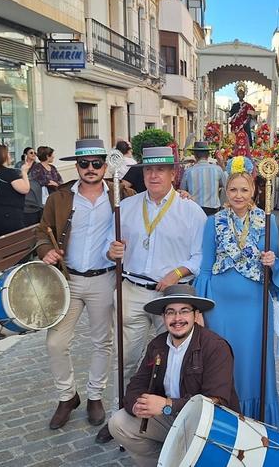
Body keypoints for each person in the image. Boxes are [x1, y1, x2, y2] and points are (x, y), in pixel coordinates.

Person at [99, 145, 207, 443]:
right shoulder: (128, 207)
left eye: (161, 169)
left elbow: (200, 256)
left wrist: (179, 272)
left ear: (174, 174)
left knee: (175, 359)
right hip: (132, 289)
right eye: (148, 169)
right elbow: (108, 244)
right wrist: (112, 251)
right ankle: (120, 415)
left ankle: (168, 419)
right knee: (126, 358)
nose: (154, 175)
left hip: (170, 298)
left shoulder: (190, 210)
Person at [194, 156, 279, 427]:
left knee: (254, 365)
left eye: (244, 190)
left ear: (254, 192)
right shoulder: (213, 222)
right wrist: (198, 309)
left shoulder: (267, 221)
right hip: (219, 306)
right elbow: (204, 267)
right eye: (233, 189)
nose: (238, 195)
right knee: (223, 363)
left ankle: (259, 421)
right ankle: (225, 418)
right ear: (225, 191)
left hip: (254, 308)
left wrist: (273, 262)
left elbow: (275, 265)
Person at [108, 285, 240, 467]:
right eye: (171, 312)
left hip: (209, 426)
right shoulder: (157, 345)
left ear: (196, 315)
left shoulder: (216, 347)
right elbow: (136, 384)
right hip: (171, 417)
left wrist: (167, 405)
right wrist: (138, 405)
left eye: (184, 311)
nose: (177, 319)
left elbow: (217, 402)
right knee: (119, 422)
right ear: (163, 317)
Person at [36, 139, 115, 430]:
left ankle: (95, 395)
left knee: (102, 342)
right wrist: (46, 251)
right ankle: (67, 396)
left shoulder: (121, 194)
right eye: (84, 163)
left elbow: (151, 202)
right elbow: (42, 232)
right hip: (68, 281)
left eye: (96, 163)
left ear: (105, 166)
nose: (90, 169)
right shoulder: (59, 198)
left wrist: (181, 194)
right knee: (56, 341)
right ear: (77, 166)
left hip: (103, 278)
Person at [0, 144, 30, 237]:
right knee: (18, 241)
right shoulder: (9, 173)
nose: (10, 155)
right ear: (3, 156)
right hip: (7, 215)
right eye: (8, 153)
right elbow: (25, 189)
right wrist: (24, 172)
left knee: (0, 241)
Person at [180, 141, 227, 216]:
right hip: (213, 211)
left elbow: (182, 191)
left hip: (195, 210)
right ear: (208, 155)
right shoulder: (217, 169)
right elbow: (225, 184)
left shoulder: (188, 171)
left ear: (195, 156)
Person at [26, 146, 63, 225]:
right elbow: (35, 181)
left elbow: (60, 181)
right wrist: (49, 183)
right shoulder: (37, 167)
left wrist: (55, 184)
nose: (53, 156)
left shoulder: (53, 168)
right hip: (43, 199)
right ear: (47, 156)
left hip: (55, 197)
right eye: (52, 155)